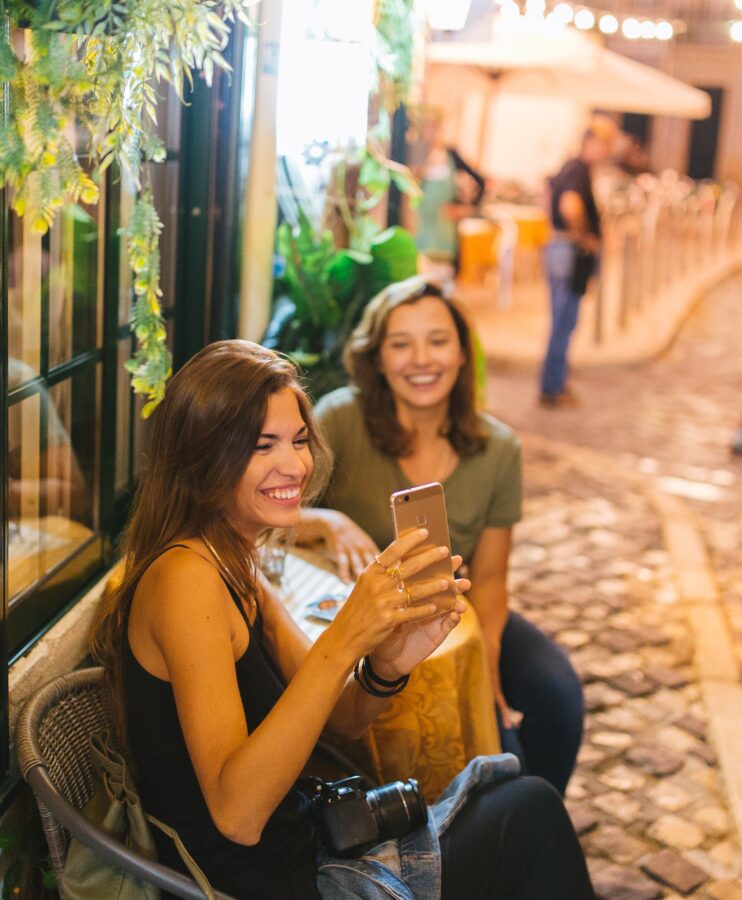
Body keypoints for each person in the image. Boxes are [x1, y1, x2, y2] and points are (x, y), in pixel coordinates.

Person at [91, 340, 594, 899]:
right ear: (203, 458)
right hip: (270, 884)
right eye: (264, 446)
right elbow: (237, 814)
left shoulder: (231, 562)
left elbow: (342, 721)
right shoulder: (185, 580)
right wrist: (344, 635)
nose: (295, 465)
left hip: (309, 850)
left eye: (299, 440)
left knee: (522, 803)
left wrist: (387, 663)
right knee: (531, 815)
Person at [299, 277, 584, 798]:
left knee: (558, 695)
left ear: (460, 353)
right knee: (503, 765)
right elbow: (271, 516)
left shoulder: (499, 450)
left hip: (455, 612)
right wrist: (327, 521)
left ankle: (537, 834)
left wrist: (488, 670)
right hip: (354, 616)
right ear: (377, 359)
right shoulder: (339, 420)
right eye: (400, 344)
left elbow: (492, 580)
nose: (420, 359)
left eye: (437, 340)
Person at [539, 116, 618, 407]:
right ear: (591, 142)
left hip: (559, 247)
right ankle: (552, 386)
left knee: (562, 319)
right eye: (605, 144)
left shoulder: (571, 167)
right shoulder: (578, 169)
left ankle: (555, 383)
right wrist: (583, 236)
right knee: (564, 321)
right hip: (568, 252)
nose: (608, 151)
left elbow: (547, 198)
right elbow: (569, 205)